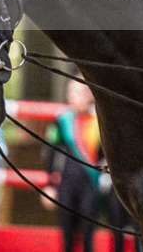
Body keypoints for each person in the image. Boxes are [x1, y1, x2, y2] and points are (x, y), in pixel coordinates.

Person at [44, 80, 102, 252]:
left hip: (91, 183)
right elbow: (51, 152)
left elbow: (104, 155)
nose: (77, 98)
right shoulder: (62, 120)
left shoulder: (99, 121)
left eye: (82, 93)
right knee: (66, 235)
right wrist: (49, 184)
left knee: (88, 234)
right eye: (73, 93)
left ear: (90, 96)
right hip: (67, 183)